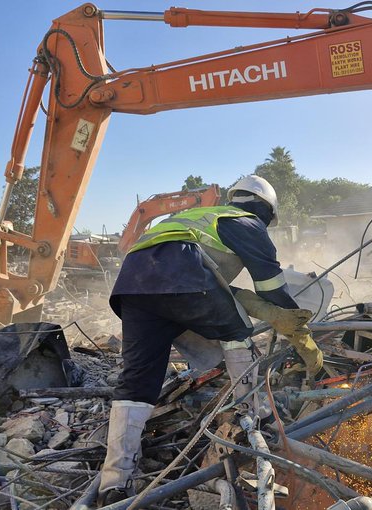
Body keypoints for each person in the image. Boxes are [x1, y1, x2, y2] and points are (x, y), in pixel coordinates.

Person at [97, 175, 323, 504]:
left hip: (133, 284)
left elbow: (201, 279)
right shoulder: (247, 224)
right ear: (265, 210)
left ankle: (113, 483)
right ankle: (251, 417)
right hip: (184, 277)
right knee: (238, 335)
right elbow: (273, 289)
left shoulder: (203, 217)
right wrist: (299, 331)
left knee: (137, 382)